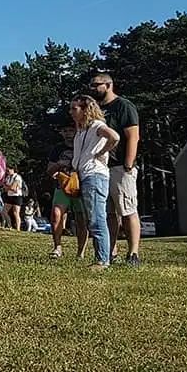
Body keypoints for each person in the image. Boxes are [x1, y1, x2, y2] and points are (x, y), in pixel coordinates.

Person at [90, 73, 142, 266]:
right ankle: (110, 252)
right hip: (101, 166)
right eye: (91, 85)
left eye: (96, 85)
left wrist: (128, 164)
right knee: (108, 213)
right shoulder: (96, 109)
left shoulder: (123, 106)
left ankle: (133, 253)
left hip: (120, 166)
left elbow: (133, 136)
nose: (93, 89)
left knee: (127, 209)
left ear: (109, 84)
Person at [70, 94, 121, 269]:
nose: (71, 112)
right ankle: (102, 257)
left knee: (97, 218)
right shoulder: (81, 131)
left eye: (75, 108)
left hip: (95, 175)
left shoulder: (97, 126)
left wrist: (100, 153)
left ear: (86, 110)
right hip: (85, 175)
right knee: (92, 217)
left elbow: (114, 137)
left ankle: (103, 260)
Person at [47, 123, 86, 259]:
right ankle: (57, 247)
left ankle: (80, 252)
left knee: (81, 219)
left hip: (81, 186)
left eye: (71, 130)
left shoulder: (82, 146)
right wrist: (59, 165)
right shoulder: (57, 149)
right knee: (56, 214)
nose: (68, 134)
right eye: (65, 131)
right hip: (62, 186)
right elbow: (49, 170)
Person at [3, 166, 24, 230]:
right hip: (10, 196)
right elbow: (5, 187)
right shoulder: (8, 177)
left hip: (17, 196)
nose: (7, 172)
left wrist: (7, 187)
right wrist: (8, 187)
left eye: (8, 170)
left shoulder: (17, 177)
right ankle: (9, 225)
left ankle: (18, 228)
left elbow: (13, 188)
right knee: (4, 211)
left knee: (16, 213)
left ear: (13, 170)